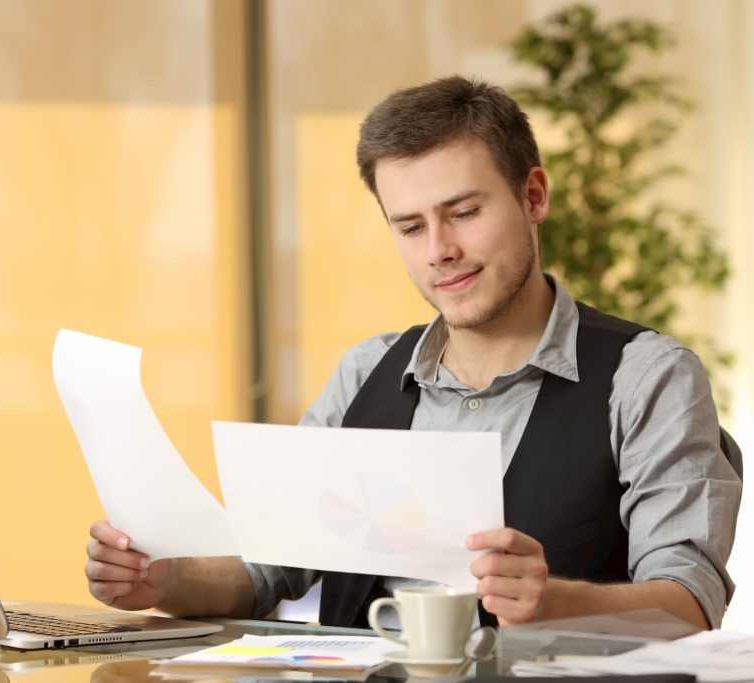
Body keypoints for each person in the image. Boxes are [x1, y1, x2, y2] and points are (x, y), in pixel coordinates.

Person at [84, 76, 741, 630]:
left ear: (533, 196)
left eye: (463, 212)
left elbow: (691, 601)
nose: (438, 251)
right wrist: (161, 581)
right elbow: (266, 566)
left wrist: (556, 601)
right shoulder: (365, 371)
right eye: (410, 225)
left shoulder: (645, 375)